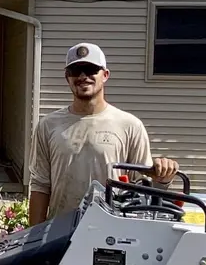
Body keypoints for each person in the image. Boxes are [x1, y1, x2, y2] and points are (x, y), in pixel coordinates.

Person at [27, 42, 179, 226]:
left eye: (91, 69)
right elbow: (40, 185)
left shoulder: (130, 126)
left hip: (111, 234)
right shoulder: (48, 125)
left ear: (105, 75)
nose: (83, 76)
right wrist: (33, 241)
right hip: (58, 234)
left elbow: (142, 188)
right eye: (76, 71)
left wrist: (162, 179)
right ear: (67, 77)